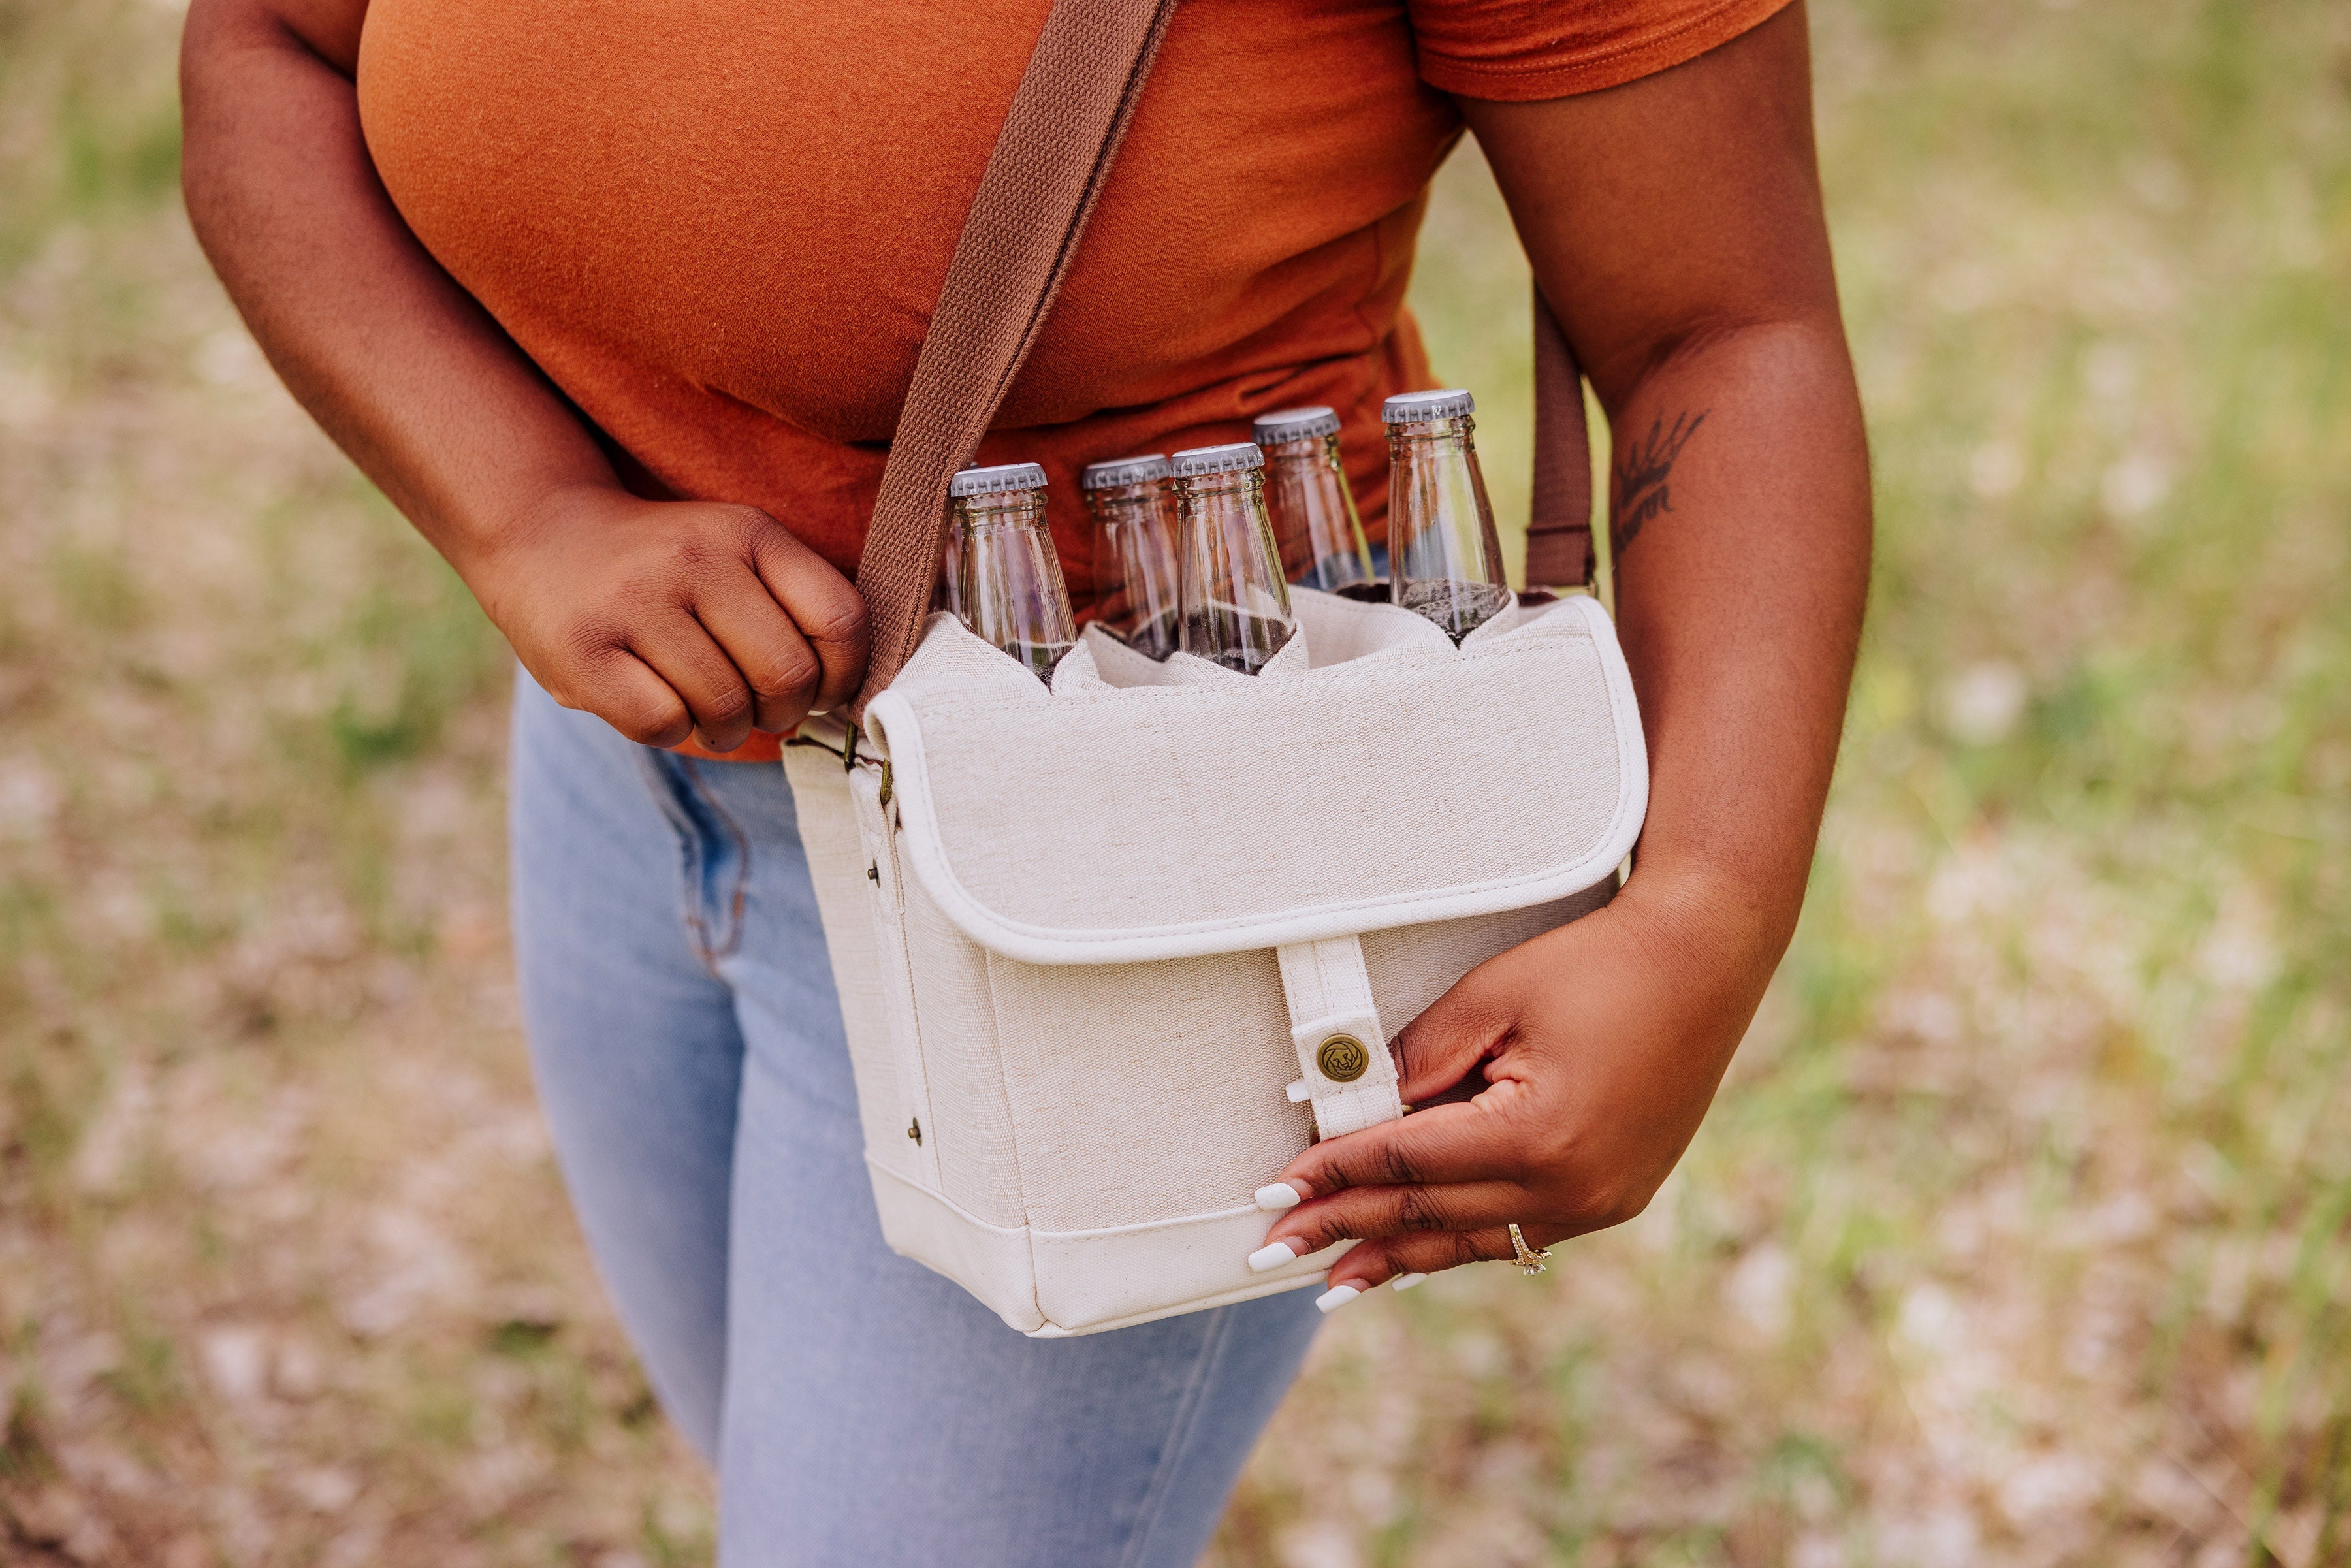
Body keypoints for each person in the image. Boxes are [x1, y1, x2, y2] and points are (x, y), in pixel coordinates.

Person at [179, 0, 1870, 1558]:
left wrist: (1708, 909)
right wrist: (527, 512)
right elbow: (269, 50)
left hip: (1125, 890)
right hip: (627, 788)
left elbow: (1720, 322)